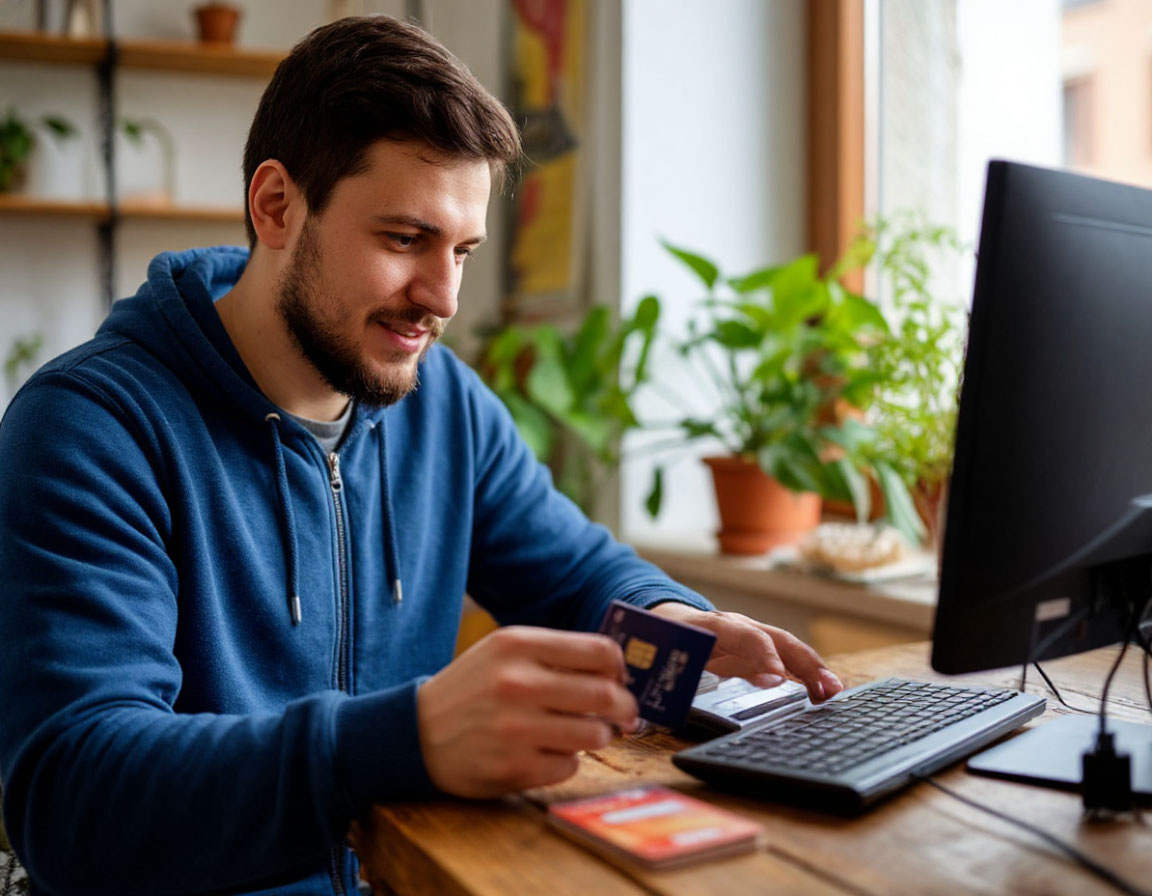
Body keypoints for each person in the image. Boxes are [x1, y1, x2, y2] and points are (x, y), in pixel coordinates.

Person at [0, 15, 844, 896]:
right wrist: (407, 739)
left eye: (463, 251)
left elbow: (576, 573)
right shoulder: (90, 429)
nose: (440, 298)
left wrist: (675, 622)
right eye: (404, 239)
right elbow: (73, 799)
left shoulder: (444, 404)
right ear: (276, 206)